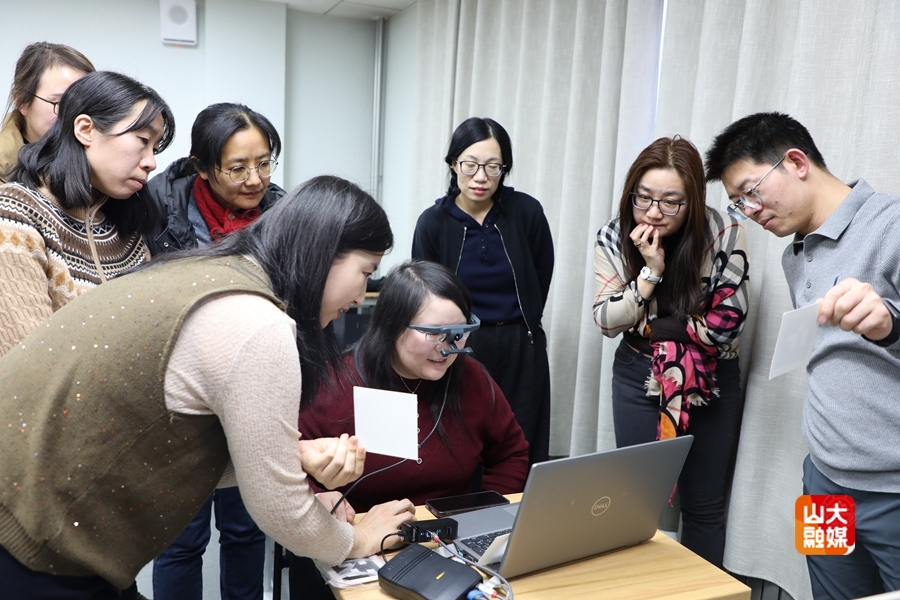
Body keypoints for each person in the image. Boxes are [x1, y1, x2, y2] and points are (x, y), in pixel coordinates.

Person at [0, 175, 416, 599]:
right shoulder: (258, 323)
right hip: (32, 539)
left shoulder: (207, 274)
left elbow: (172, 442)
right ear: (324, 253)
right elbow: (280, 511)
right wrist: (360, 538)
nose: (362, 296)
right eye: (365, 272)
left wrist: (290, 457)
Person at [705, 112, 900, 598]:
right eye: (738, 203)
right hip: (822, 479)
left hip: (893, 491)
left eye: (751, 191)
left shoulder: (892, 225)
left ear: (795, 162)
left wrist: (891, 324)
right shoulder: (794, 254)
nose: (750, 210)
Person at [291, 258, 529, 599]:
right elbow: (285, 465)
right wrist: (317, 495)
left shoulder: (471, 379)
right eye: (434, 333)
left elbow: (511, 452)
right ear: (392, 326)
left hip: (449, 545)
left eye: (459, 333)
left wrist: (485, 521)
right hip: (363, 546)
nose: (448, 348)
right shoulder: (334, 386)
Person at [146, 103, 285, 600]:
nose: (255, 179)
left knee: (247, 530)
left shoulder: (282, 214)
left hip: (254, 390)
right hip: (182, 396)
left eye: (264, 163)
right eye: (238, 168)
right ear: (203, 167)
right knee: (180, 540)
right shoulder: (154, 206)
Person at [592, 136, 749, 568]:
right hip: (638, 374)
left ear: (692, 200)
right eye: (643, 198)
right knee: (636, 505)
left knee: (704, 504)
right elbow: (606, 321)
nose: (653, 212)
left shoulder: (723, 232)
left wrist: (651, 325)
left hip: (711, 379)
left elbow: (727, 324)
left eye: (670, 202)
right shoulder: (613, 234)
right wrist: (650, 273)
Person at [0, 70, 174, 357]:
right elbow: (28, 359)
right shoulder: (14, 214)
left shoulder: (127, 233)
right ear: (85, 129)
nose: (151, 162)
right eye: (143, 140)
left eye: (155, 148)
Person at [412, 117, 554, 465]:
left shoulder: (526, 212)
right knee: (463, 442)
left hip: (521, 344)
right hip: (459, 346)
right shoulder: (433, 222)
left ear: (504, 169)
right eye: (471, 165)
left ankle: (520, 503)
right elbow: (424, 292)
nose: (481, 177)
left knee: (522, 443)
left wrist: (527, 324)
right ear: (453, 164)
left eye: (493, 167)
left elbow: (541, 274)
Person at [0, 42, 94, 180]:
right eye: (60, 103)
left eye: (85, 102)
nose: (76, 115)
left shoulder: (102, 159)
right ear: (22, 102)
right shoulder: (4, 168)